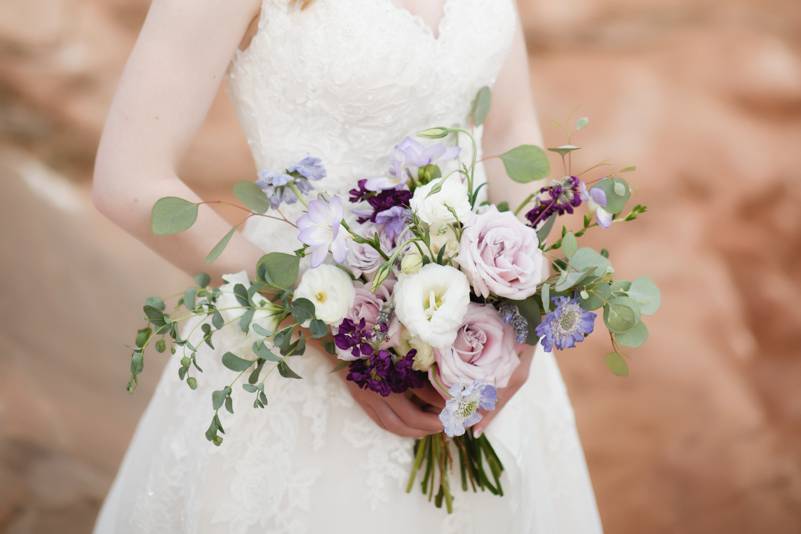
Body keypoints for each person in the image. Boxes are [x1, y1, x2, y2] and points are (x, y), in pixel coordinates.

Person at [92, 0, 603, 532]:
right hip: (297, 340)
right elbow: (129, 179)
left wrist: (525, 303)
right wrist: (322, 322)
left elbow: (505, 130)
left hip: (479, 345)